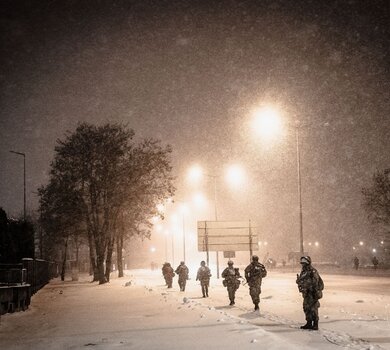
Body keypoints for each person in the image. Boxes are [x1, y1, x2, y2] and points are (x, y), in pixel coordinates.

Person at [296, 256, 324, 330]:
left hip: (312, 293)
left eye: (304, 263)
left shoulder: (312, 271)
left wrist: (313, 291)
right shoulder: (304, 272)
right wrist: (299, 281)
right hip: (306, 294)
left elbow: (315, 282)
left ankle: (315, 324)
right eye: (302, 263)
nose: (302, 265)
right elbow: (303, 281)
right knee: (306, 308)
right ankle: (309, 322)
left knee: (313, 309)